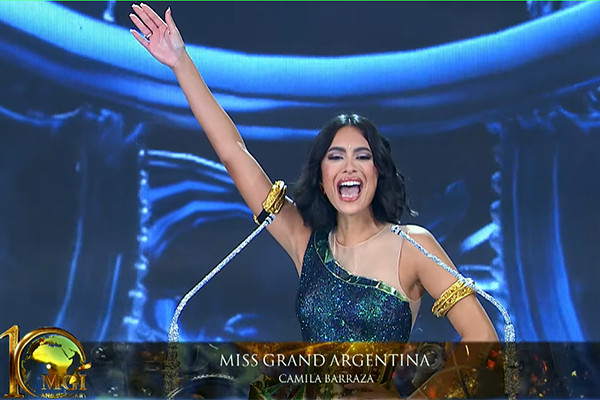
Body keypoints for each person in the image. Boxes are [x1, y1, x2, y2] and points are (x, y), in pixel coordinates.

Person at [129, 3, 499, 397]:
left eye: (362, 156)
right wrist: (180, 62)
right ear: (322, 179)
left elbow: (484, 340)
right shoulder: (306, 241)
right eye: (335, 157)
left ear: (378, 173)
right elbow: (234, 154)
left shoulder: (413, 246)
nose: (349, 167)